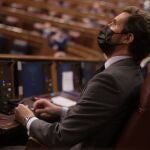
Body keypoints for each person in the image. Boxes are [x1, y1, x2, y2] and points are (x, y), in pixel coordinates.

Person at [15, 6, 150, 150]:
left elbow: (59, 137)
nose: (107, 26)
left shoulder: (110, 80)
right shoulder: (133, 74)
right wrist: (61, 111)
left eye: (113, 23)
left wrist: (28, 118)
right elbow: (104, 117)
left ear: (127, 38)